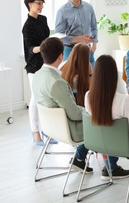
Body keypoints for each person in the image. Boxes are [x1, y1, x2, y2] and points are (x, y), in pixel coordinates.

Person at [85, 55, 129, 186]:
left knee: (110, 131)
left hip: (99, 143)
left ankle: (109, 168)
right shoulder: (123, 100)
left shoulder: (88, 96)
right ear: (113, 75)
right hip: (124, 145)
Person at [32, 37, 92, 172]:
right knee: (102, 121)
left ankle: (80, 159)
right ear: (61, 56)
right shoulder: (57, 82)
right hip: (68, 130)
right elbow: (75, 114)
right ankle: (111, 167)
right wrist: (90, 111)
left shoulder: (38, 75)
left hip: (50, 128)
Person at [22, 0, 57, 146]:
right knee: (36, 99)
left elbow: (47, 37)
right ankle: (35, 132)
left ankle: (48, 130)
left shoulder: (43, 20)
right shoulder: (27, 26)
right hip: (34, 65)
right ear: (30, 4)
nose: (42, 6)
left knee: (47, 98)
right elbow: (30, 49)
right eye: (39, 3)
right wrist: (43, 46)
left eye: (43, 3)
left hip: (46, 63)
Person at [55, 0, 97, 66]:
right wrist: (81, 38)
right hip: (69, 50)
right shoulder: (62, 11)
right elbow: (60, 37)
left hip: (87, 49)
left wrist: (94, 45)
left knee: (92, 77)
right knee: (70, 79)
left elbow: (94, 27)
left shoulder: (89, 7)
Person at [60, 43, 92, 107]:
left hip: (65, 101)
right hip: (78, 102)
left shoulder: (64, 65)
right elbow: (90, 86)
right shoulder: (86, 67)